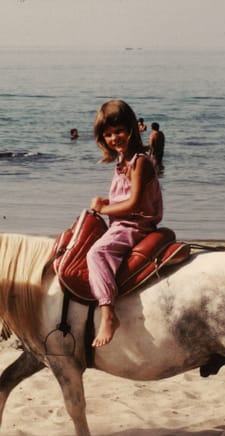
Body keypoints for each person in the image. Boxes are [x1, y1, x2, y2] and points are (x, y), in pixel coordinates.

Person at [87, 100, 163, 347]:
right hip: (122, 221)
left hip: (135, 225)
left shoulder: (139, 162)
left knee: (97, 253)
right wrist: (106, 201)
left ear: (131, 128)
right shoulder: (121, 160)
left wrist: (104, 208)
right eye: (107, 134)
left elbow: (134, 204)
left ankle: (108, 312)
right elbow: (124, 196)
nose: (114, 138)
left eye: (118, 131)